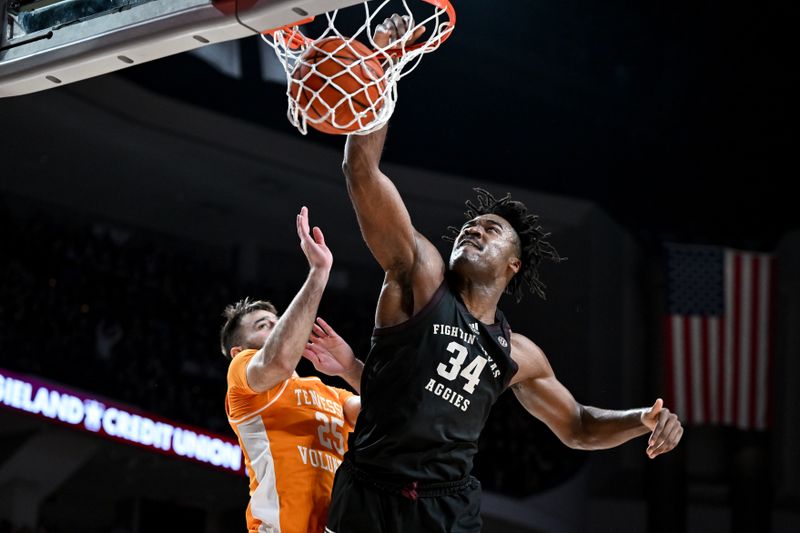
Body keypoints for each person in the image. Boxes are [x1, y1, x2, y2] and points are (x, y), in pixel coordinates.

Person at [323, 15, 684, 533]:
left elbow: (579, 426)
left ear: (513, 265)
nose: (473, 230)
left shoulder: (518, 354)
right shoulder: (419, 276)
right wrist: (379, 70)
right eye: (469, 226)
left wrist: (640, 421)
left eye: (490, 229)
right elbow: (361, 172)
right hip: (368, 493)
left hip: (445, 509)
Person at [222, 206, 363, 533]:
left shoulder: (330, 394)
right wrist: (318, 274)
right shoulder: (243, 375)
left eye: (277, 322)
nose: (276, 328)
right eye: (262, 325)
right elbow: (280, 361)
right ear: (239, 350)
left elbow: (388, 415)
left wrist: (351, 369)